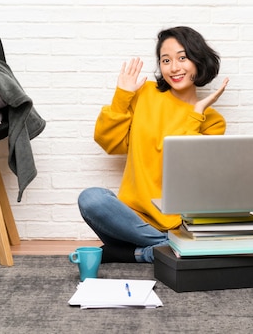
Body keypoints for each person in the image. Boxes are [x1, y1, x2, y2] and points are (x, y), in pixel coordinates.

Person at [78, 26, 229, 263]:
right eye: (166, 60)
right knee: (91, 199)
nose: (174, 67)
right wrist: (121, 97)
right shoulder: (145, 94)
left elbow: (190, 171)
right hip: (132, 222)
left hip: (178, 223)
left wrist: (196, 113)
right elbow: (111, 144)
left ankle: (145, 252)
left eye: (182, 58)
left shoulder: (212, 121)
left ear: (199, 61)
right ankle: (167, 250)